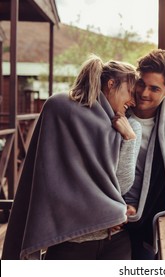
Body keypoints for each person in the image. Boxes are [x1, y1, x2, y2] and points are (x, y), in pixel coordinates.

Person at [1, 54, 141, 260]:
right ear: (111, 84)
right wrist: (106, 213)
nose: (134, 101)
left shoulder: (126, 127)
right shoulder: (59, 107)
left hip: (115, 241)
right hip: (72, 243)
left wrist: (129, 138)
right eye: (130, 92)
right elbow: (50, 180)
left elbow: (120, 186)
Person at [123, 49, 165, 259]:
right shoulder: (113, 113)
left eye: (154, 88)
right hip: (104, 211)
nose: (144, 93)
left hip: (142, 220)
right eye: (141, 83)